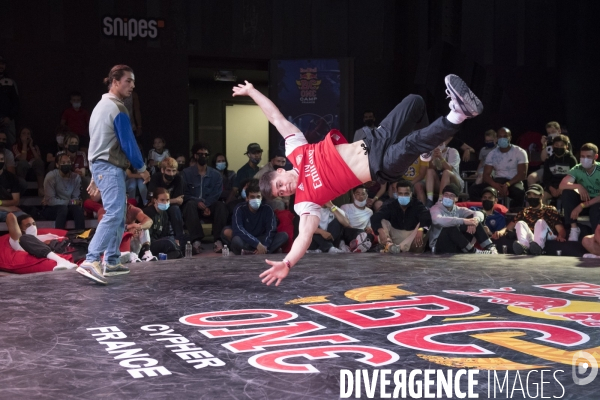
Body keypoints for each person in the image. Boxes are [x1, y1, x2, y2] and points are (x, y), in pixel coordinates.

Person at [234, 74, 483, 285]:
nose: (285, 190)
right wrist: (288, 262)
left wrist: (252, 91)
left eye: (280, 185)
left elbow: (276, 118)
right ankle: (458, 114)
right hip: (379, 166)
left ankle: (428, 147)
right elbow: (304, 236)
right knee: (410, 144)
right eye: (281, 194)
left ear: (279, 172)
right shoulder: (304, 202)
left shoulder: (295, 150)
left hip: (374, 140)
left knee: (414, 102)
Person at [77, 64, 149, 285]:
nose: (132, 85)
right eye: (128, 80)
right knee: (115, 213)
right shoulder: (118, 108)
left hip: (103, 166)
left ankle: (112, 260)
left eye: (134, 81)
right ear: (115, 81)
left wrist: (93, 172)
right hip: (109, 167)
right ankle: (91, 260)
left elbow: (97, 142)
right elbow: (128, 143)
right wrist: (142, 168)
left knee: (117, 212)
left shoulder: (100, 106)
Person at [181, 142, 228, 254]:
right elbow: (184, 193)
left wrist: (207, 205)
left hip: (210, 205)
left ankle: (218, 240)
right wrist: (198, 202)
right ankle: (196, 241)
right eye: (200, 154)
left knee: (221, 206)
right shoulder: (186, 173)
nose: (203, 156)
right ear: (195, 156)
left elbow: (217, 193)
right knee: (189, 205)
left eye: (205, 154)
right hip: (193, 205)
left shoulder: (216, 175)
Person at [222, 180, 288, 255]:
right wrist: (257, 244)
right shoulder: (239, 208)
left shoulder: (267, 209)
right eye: (252, 197)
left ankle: (254, 252)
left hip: (262, 239)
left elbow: (271, 230)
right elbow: (238, 229)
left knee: (283, 236)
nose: (255, 200)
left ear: (262, 197)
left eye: (258, 197)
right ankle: (266, 252)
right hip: (247, 240)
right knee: (236, 240)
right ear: (247, 198)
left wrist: (265, 245)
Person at [429, 184, 498, 254]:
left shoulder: (458, 209)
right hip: (439, 246)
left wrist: (475, 220)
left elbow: (479, 213)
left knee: (473, 219)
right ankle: (473, 251)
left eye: (451, 195)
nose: (448, 197)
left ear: (456, 199)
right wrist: (464, 221)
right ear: (442, 196)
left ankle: (491, 248)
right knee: (451, 226)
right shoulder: (435, 208)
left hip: (455, 245)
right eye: (446, 195)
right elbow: (437, 220)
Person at [500, 184, 567, 255]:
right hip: (532, 239)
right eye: (530, 195)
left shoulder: (550, 210)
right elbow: (509, 227)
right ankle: (524, 247)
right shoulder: (525, 211)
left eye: (535, 195)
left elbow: (561, 229)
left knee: (540, 222)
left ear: (541, 196)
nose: (532, 197)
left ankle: (538, 247)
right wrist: (500, 232)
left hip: (548, 236)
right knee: (520, 223)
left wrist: (561, 236)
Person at [468, 127, 528, 207]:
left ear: (510, 137)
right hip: (497, 181)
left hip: (514, 181)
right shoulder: (492, 154)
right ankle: (484, 210)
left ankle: (514, 212)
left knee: (519, 192)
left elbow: (522, 174)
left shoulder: (520, 152)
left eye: (505, 136)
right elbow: (486, 175)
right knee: (474, 190)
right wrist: (495, 185)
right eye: (500, 136)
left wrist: (507, 184)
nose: (502, 138)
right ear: (497, 138)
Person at [371, 179, 431, 253]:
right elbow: (375, 217)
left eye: (406, 194)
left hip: (412, 240)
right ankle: (389, 245)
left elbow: (426, 216)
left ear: (411, 193)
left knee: (424, 226)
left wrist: (421, 229)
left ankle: (399, 249)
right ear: (397, 193)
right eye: (400, 193)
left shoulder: (417, 205)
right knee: (382, 221)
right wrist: (380, 230)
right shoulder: (391, 205)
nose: (403, 196)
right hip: (395, 237)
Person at [5, 213, 78, 270]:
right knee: (25, 238)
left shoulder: (45, 236)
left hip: (68, 246)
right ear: (20, 228)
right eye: (28, 225)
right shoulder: (19, 240)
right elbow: (10, 217)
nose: (32, 227)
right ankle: (62, 261)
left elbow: (65, 238)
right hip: (52, 252)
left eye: (34, 224)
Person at [559, 143, 600, 241]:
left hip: (596, 201)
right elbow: (562, 185)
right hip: (584, 198)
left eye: (588, 156)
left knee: (595, 211)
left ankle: (596, 238)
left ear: (595, 157)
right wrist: (578, 186)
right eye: (582, 156)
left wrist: (582, 206)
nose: (585, 159)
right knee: (567, 192)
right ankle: (574, 229)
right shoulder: (577, 168)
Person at [147, 157, 185, 246]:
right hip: (157, 206)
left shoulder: (179, 178)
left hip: (171, 207)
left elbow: (180, 201)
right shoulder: (156, 177)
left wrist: (164, 201)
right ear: (162, 170)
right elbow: (152, 199)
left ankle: (180, 240)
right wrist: (174, 200)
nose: (171, 174)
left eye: (174, 171)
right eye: (168, 170)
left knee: (175, 209)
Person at [42, 153, 85, 230]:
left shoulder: (76, 177)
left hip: (69, 207)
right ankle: (59, 235)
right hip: (52, 208)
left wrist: (72, 202)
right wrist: (69, 202)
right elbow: (50, 201)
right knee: (63, 209)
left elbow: (76, 200)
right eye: (63, 163)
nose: (66, 165)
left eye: (68, 162)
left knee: (78, 210)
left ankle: (81, 235)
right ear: (57, 165)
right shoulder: (51, 176)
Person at [142, 188, 182, 259]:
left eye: (167, 200)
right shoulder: (148, 212)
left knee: (183, 241)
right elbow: (147, 236)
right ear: (155, 200)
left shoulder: (164, 214)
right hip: (148, 245)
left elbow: (165, 233)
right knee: (169, 243)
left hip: (160, 241)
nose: (165, 202)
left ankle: (160, 257)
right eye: (162, 200)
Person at [424, 137, 464, 208]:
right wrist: (433, 158)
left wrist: (441, 157)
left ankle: (440, 201)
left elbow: (449, 169)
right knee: (429, 171)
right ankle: (429, 200)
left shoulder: (452, 151)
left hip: (454, 183)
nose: (438, 145)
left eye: (440, 143)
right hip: (440, 183)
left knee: (446, 172)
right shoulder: (433, 152)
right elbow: (431, 168)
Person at [541, 134, 577, 204]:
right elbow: (546, 178)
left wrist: (562, 188)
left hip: (567, 186)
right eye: (556, 145)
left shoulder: (571, 159)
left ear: (566, 147)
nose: (559, 147)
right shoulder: (549, 160)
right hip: (552, 187)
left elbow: (574, 177)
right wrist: (551, 188)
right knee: (542, 197)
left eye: (562, 145)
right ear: (553, 146)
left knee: (567, 196)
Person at [339, 186, 375, 252]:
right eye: (358, 194)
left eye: (363, 194)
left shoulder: (369, 212)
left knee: (370, 236)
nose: (360, 196)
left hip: (362, 234)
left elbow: (368, 226)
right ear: (353, 196)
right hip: (348, 232)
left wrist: (369, 229)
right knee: (360, 233)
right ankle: (359, 245)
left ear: (367, 196)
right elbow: (342, 224)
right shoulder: (345, 207)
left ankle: (358, 247)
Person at [12, 127, 45, 196]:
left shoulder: (35, 146)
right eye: (23, 133)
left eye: (28, 134)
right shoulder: (15, 146)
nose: (26, 135)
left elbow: (39, 160)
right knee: (23, 163)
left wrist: (31, 146)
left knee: (39, 162)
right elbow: (22, 159)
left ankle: (40, 189)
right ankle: (21, 188)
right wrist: (24, 144)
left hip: (33, 170)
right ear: (20, 136)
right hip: (21, 170)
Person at [57, 133, 90, 200]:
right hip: (63, 177)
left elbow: (83, 172)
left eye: (76, 143)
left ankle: (86, 203)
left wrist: (78, 172)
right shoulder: (60, 154)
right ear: (66, 145)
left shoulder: (81, 154)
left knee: (86, 180)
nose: (74, 145)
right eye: (72, 143)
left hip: (77, 178)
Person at [0, 55, 19, 146]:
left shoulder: (10, 82)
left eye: (3, 64)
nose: (1, 66)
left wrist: (10, 117)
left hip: (7, 120)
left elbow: (16, 102)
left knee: (10, 143)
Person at [0, 151, 24, 222]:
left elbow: (16, 201)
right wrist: (5, 208)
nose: (0, 161)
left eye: (1, 159)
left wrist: (0, 203)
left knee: (24, 218)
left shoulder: (11, 177)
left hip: (9, 211)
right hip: (6, 209)